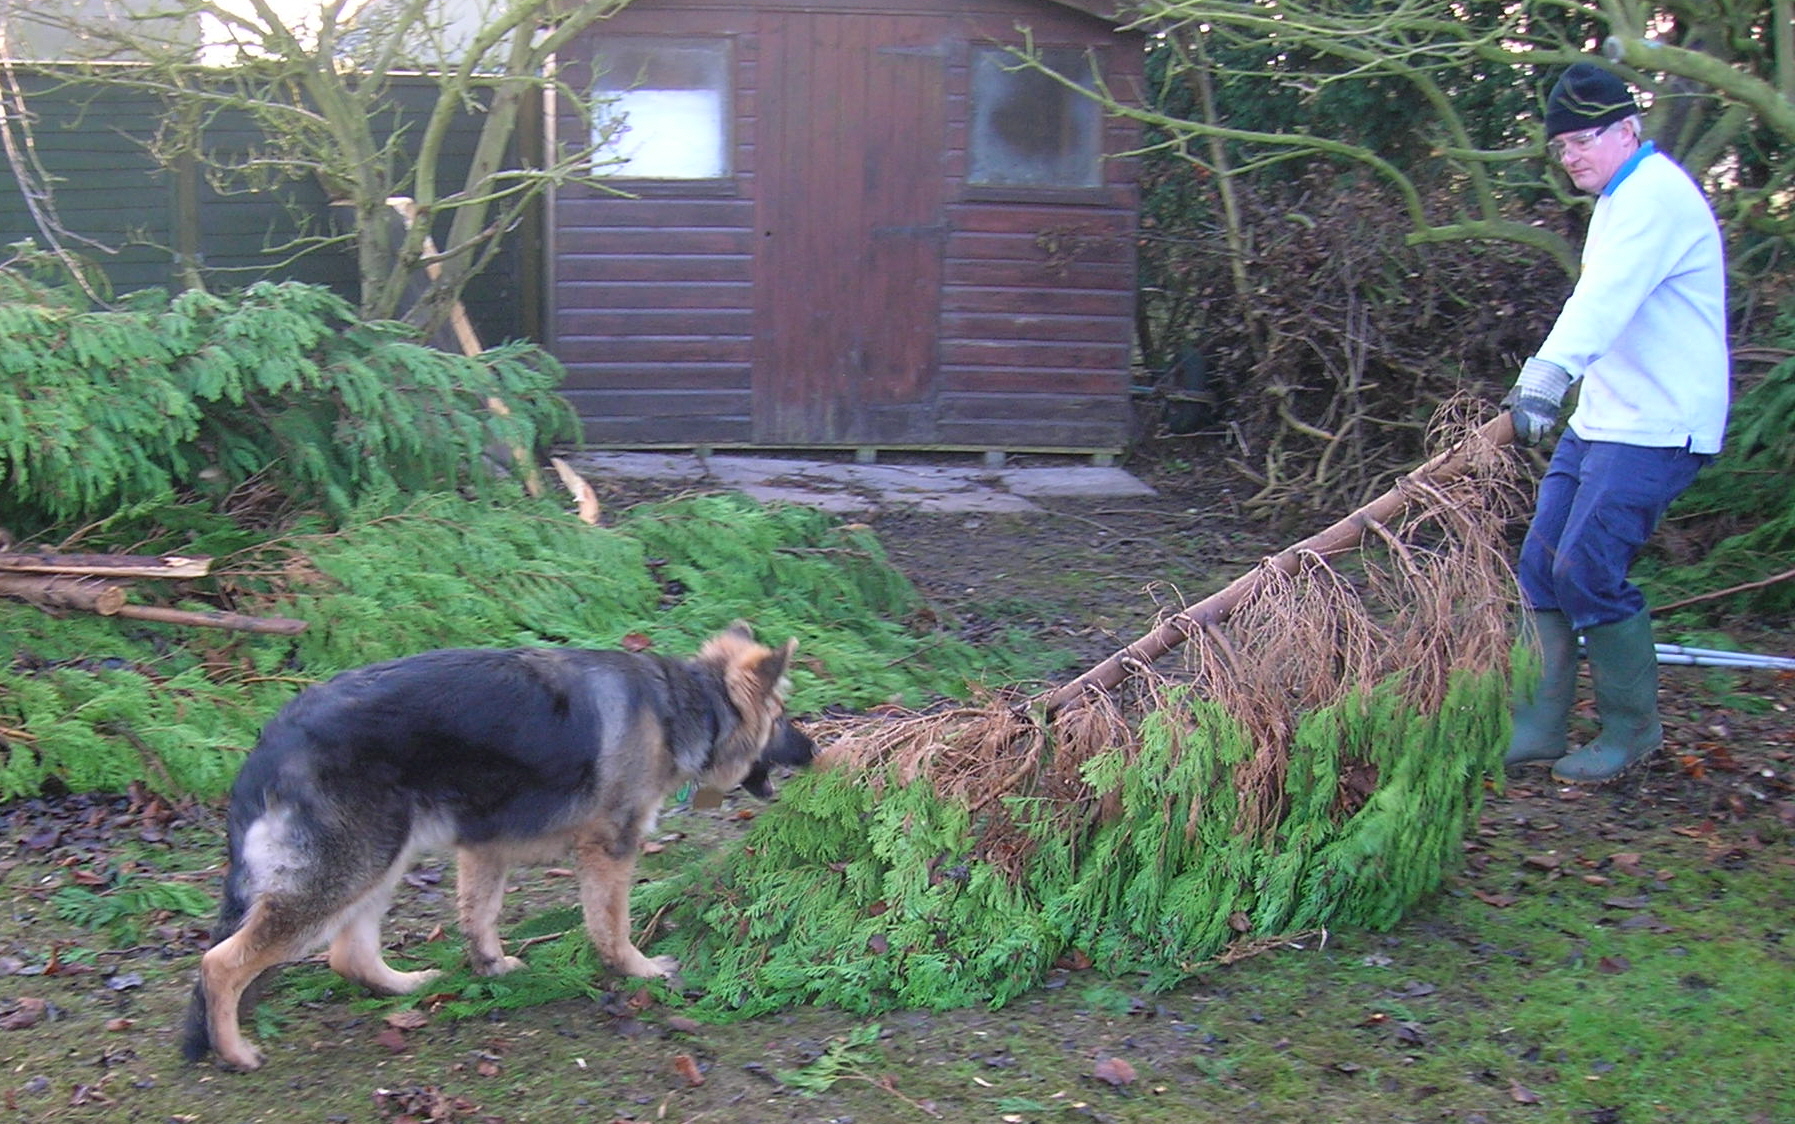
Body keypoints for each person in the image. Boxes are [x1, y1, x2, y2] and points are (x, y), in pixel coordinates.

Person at [1501, 60, 1730, 783]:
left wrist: (1544, 376)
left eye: (1582, 140)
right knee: (1541, 565)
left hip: (1659, 424)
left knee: (1586, 569)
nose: (1570, 156)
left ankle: (1631, 733)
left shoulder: (1654, 196)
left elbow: (1599, 302)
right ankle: (1539, 727)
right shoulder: (1616, 201)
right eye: (1559, 147)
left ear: (1627, 129)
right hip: (1605, 417)